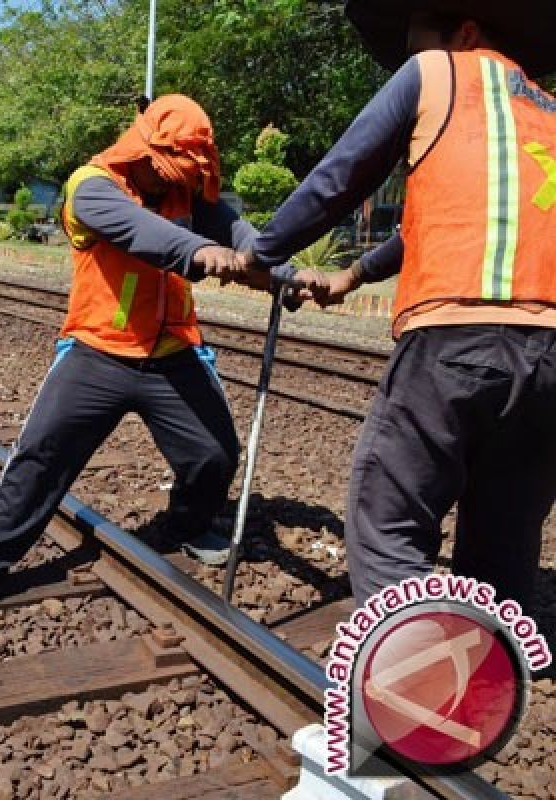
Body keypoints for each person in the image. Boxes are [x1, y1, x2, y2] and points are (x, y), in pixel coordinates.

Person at [238, 1, 556, 610]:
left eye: (419, 42)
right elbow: (436, 220)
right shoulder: (541, 112)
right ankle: (486, 686)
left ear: (464, 31)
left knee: (388, 523)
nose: (411, 57)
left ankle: (408, 688)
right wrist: (353, 274)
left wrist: (264, 251)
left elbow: (340, 176)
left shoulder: (437, 73)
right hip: (549, 363)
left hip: (456, 340)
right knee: (503, 540)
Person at [0, 94, 260, 622]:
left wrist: (276, 264)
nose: (176, 180)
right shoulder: (91, 185)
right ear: (143, 149)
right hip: (98, 351)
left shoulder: (186, 193)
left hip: (173, 351)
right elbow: (143, 233)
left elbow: (235, 229)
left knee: (214, 455)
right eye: (169, 168)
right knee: (40, 457)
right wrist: (201, 252)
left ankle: (187, 526)